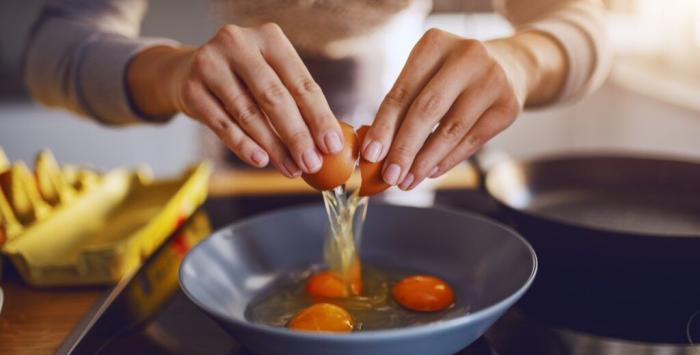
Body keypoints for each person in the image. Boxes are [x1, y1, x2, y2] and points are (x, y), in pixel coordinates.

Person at [24, 0, 610, 191]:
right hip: (238, 165)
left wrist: (521, 60)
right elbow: (51, 51)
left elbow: (592, 23)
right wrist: (173, 74)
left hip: (410, 163)